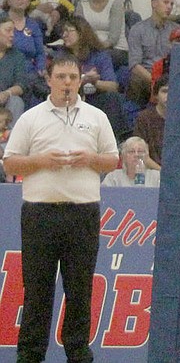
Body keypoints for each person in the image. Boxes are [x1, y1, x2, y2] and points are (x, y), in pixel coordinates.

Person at [3, 53, 118, 363]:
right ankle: (30, 355)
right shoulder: (31, 117)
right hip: (40, 214)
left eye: (73, 77)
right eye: (62, 77)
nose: (68, 83)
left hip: (82, 213)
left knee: (80, 290)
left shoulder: (96, 117)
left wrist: (89, 159)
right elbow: (10, 161)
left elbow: (112, 159)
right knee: (37, 290)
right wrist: (41, 161)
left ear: (80, 80)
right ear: (49, 79)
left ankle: (78, 354)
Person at [60, 16, 130, 140]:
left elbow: (113, 86)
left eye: (68, 31)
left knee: (113, 98)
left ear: (81, 33)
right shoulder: (61, 56)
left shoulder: (99, 55)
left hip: (94, 100)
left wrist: (95, 82)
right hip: (68, 101)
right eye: (63, 32)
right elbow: (58, 85)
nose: (64, 35)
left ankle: (115, 142)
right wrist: (82, 80)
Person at [126, 0, 180, 106]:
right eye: (165, 2)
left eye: (171, 4)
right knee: (135, 81)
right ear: (154, 4)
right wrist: (155, 81)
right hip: (146, 75)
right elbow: (135, 65)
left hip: (169, 75)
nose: (169, 7)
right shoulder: (138, 29)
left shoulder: (177, 30)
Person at [73, 0, 129, 69]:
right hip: (89, 48)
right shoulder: (82, 5)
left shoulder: (116, 3)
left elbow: (113, 39)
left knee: (98, 58)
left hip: (115, 50)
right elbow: (78, 32)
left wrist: (95, 49)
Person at [3, 0, 47, 81]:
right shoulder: (1, 21)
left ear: (28, 2)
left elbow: (40, 53)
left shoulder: (33, 25)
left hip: (30, 74)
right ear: (8, 1)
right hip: (5, 73)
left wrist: (41, 68)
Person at [133, 75, 169, 169]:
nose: (169, 96)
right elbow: (140, 154)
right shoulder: (144, 118)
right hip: (151, 173)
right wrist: (163, 173)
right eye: (164, 91)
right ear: (156, 94)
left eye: (173, 91)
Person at [0, 18, 28, 123]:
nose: (12, 35)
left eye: (13, 31)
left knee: (16, 101)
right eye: (8, 30)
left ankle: (11, 137)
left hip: (4, 101)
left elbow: (21, 85)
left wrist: (7, 93)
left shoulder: (17, 56)